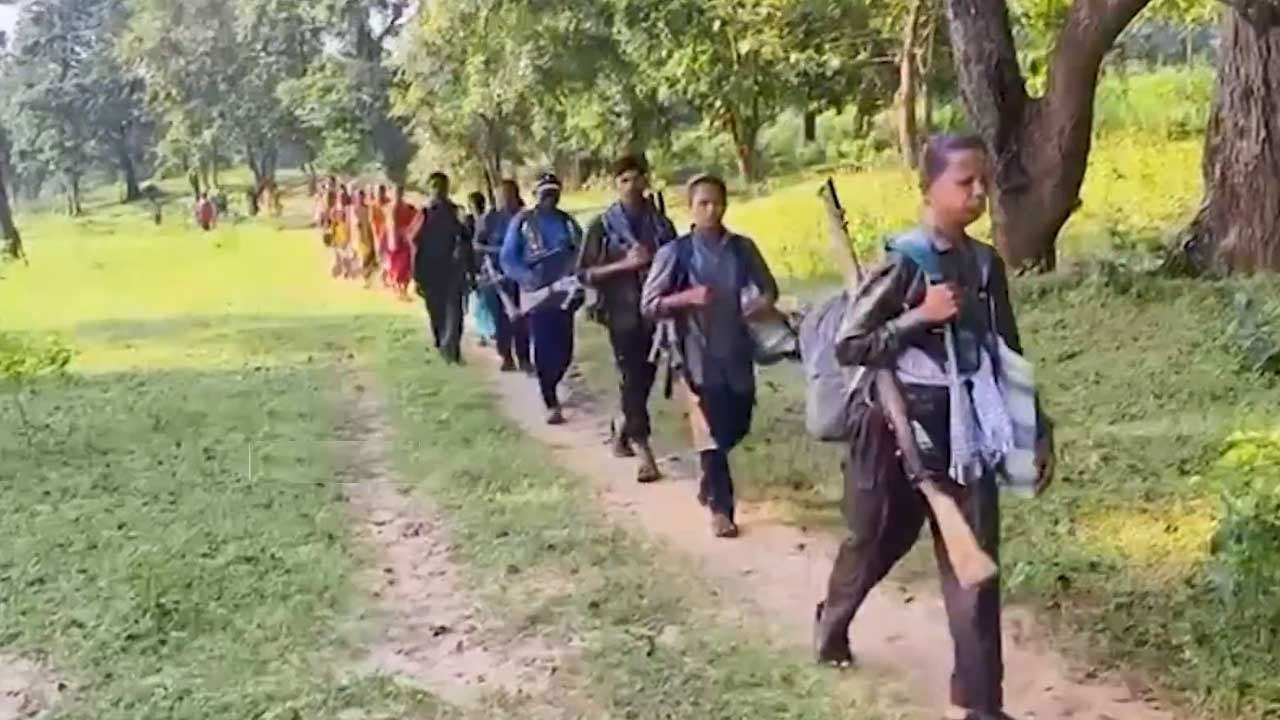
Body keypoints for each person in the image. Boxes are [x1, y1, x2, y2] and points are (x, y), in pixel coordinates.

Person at [813, 134, 1054, 720]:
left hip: (969, 433)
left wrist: (1039, 427)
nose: (978, 192)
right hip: (891, 430)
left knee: (975, 571)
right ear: (929, 188)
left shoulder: (985, 264)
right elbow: (851, 344)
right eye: (964, 182)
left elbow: (1006, 351)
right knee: (876, 541)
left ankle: (977, 704)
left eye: (982, 181)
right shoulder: (904, 261)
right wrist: (919, 317)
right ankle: (832, 621)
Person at [641, 174, 778, 539]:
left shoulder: (742, 249)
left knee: (738, 423)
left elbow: (769, 289)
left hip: (737, 350)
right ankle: (721, 509)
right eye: (703, 203)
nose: (711, 210)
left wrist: (760, 304)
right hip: (695, 354)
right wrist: (687, 298)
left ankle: (708, 481)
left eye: (717, 202)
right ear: (691, 208)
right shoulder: (676, 253)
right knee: (711, 432)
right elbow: (649, 304)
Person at [579, 154, 676, 483]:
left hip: (656, 313)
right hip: (620, 312)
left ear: (646, 181)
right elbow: (584, 273)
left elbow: (677, 263)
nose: (631, 186)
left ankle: (623, 427)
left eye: (637, 178)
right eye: (624, 180)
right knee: (632, 375)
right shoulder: (602, 225)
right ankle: (643, 450)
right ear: (615, 184)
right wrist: (626, 264)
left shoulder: (660, 224)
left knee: (644, 377)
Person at [501, 172, 584, 424]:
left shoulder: (567, 222)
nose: (550, 198)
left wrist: (578, 278)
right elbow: (508, 258)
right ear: (536, 194)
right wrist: (528, 278)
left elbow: (582, 253)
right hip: (536, 295)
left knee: (565, 351)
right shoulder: (522, 222)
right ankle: (550, 400)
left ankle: (553, 383)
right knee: (544, 347)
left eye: (554, 193)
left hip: (564, 294)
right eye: (545, 193)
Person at [414, 172, 473, 364]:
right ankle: (441, 343)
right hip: (431, 270)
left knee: (455, 311)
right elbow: (416, 245)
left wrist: (470, 269)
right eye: (434, 186)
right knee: (436, 311)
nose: (438, 190)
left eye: (441, 186)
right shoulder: (424, 214)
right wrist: (416, 276)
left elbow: (467, 241)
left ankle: (453, 350)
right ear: (429, 189)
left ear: (447, 188)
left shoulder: (457, 212)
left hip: (453, 270)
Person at [478, 180, 532, 373]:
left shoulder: (526, 217)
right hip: (497, 275)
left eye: (509, 194)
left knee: (522, 319)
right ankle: (506, 357)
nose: (505, 199)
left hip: (520, 275)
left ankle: (524, 359)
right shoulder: (490, 219)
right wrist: (499, 251)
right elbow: (477, 244)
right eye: (502, 195)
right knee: (501, 320)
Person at [464, 191, 498, 347]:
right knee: (479, 299)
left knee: (485, 299)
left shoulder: (488, 221)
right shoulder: (469, 222)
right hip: (475, 263)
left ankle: (488, 331)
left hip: (485, 263)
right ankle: (484, 332)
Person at [387, 185, 421, 300]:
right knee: (397, 266)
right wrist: (394, 238)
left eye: (400, 192)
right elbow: (391, 225)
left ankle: (403, 290)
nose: (399, 195)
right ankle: (398, 290)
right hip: (395, 240)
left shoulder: (406, 207)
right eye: (397, 192)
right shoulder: (392, 207)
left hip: (404, 240)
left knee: (405, 266)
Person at [352, 187, 379, 286]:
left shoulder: (368, 208)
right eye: (359, 197)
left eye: (362, 197)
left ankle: (369, 279)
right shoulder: (355, 210)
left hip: (369, 235)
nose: (360, 199)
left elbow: (371, 221)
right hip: (361, 237)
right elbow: (355, 225)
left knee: (370, 258)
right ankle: (366, 279)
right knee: (364, 258)